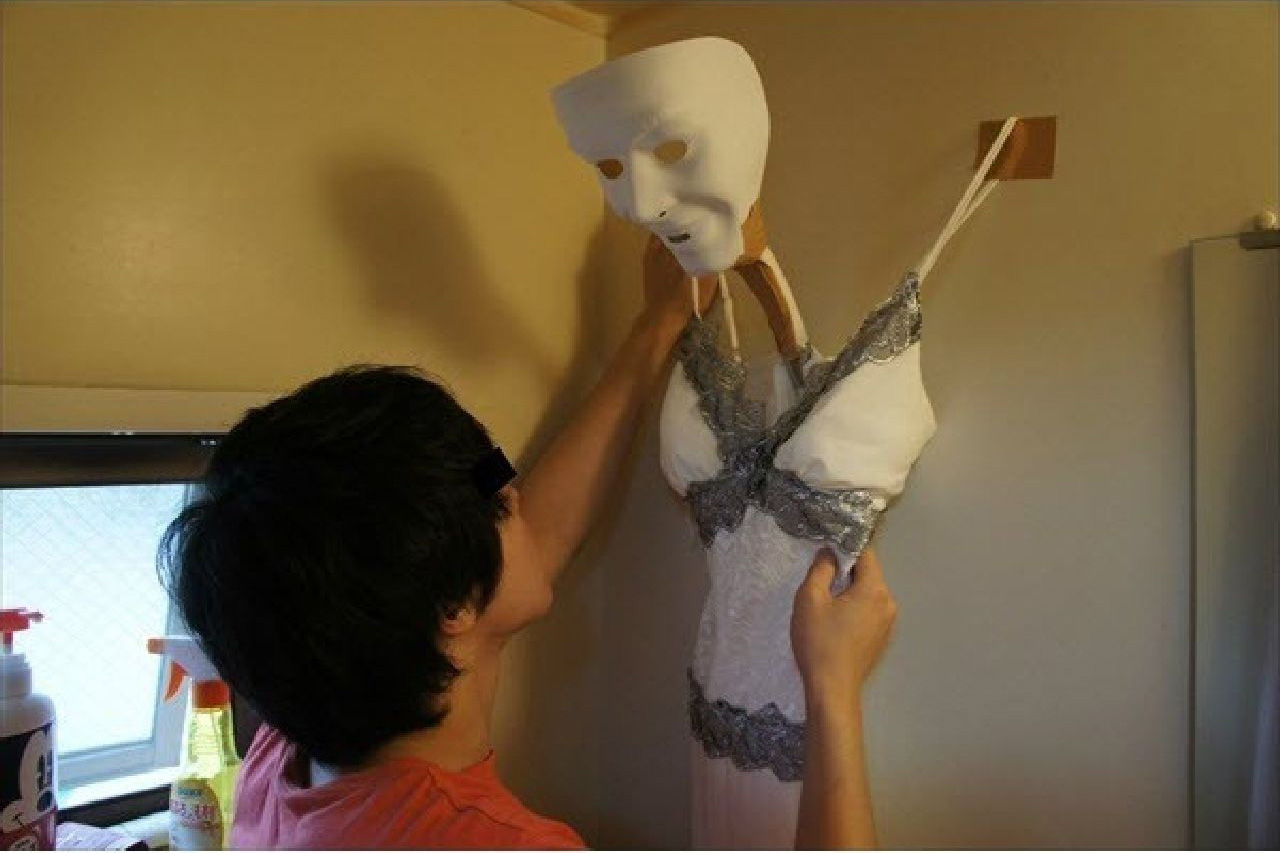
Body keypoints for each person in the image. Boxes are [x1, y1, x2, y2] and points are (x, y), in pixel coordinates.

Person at [159, 238, 898, 850]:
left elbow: (520, 544)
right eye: (500, 501)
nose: (517, 495)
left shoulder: (288, 748)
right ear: (453, 606)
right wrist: (831, 690)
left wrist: (657, 325)